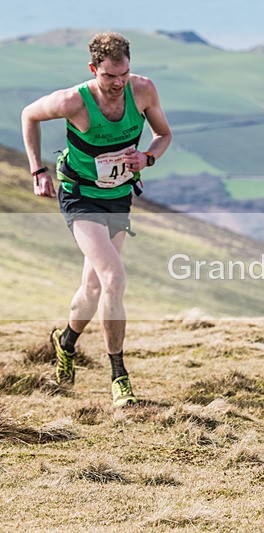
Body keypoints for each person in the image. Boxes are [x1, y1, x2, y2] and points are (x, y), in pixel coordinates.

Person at [21, 32, 172, 407]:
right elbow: (29, 115)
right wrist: (37, 169)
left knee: (92, 289)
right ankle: (119, 377)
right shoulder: (72, 101)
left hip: (118, 197)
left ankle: (66, 342)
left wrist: (148, 158)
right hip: (81, 196)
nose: (118, 83)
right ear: (93, 69)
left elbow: (163, 135)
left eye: (124, 74)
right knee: (114, 278)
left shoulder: (143, 90)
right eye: (109, 76)